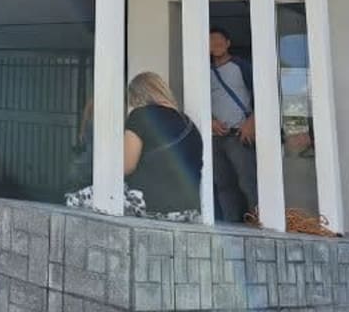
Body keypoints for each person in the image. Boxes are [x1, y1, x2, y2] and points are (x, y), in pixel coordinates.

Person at [65, 74, 202, 222]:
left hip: (152, 204)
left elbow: (126, 166)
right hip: (189, 210)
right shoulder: (189, 124)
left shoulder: (140, 115)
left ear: (137, 97)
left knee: (74, 201)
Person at [209, 26, 259, 222]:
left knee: (248, 182)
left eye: (219, 40)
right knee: (223, 184)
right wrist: (210, 122)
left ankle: (258, 223)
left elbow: (264, 93)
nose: (215, 44)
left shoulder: (242, 66)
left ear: (228, 43)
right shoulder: (204, 72)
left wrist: (252, 121)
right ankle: (232, 225)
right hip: (215, 137)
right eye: (211, 41)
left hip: (240, 135)